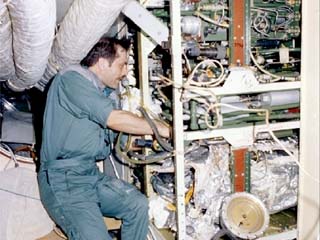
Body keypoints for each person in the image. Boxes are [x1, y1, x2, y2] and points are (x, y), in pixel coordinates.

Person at [38, 37, 170, 240]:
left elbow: (113, 136)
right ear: (101, 63)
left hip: (89, 175)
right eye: (122, 65)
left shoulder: (101, 93)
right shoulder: (71, 80)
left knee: (137, 204)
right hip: (63, 180)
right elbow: (113, 119)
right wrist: (163, 129)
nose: (125, 72)